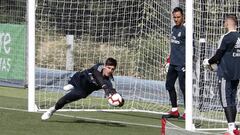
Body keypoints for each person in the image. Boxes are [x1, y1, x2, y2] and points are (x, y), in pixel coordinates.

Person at [41, 57, 124, 120]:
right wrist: (105, 87)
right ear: (105, 66)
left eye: (112, 69)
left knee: (63, 101)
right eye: (108, 68)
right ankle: (71, 84)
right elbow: (98, 77)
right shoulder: (99, 67)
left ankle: (51, 110)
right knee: (67, 87)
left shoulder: (111, 82)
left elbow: (115, 93)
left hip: (82, 91)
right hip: (79, 78)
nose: (110, 70)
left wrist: (119, 101)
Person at [203, 14, 240, 135]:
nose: (224, 23)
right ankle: (234, 127)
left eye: (225, 22)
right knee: (232, 100)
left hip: (226, 73)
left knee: (225, 100)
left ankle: (230, 129)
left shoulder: (227, 37)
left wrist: (208, 62)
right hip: (236, 73)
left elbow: (218, 55)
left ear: (228, 23)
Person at [164, 7, 186, 119]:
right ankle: (174, 110)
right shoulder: (173, 28)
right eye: (174, 17)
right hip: (173, 63)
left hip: (182, 64)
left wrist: (188, 63)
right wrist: (169, 59)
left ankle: (188, 112)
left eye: (178, 17)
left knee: (183, 87)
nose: (176, 19)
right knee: (169, 85)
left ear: (183, 16)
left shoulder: (186, 29)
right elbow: (173, 46)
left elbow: (192, 47)